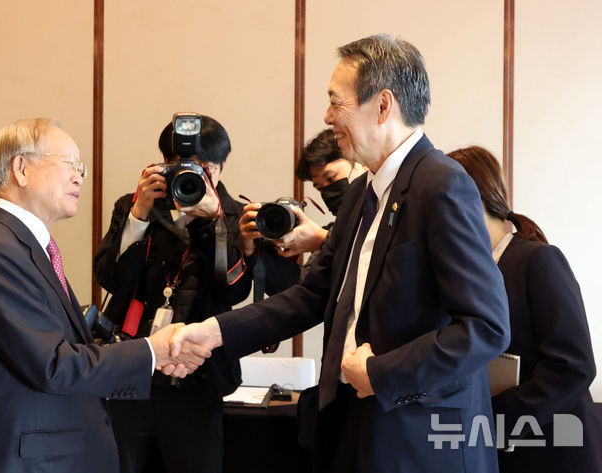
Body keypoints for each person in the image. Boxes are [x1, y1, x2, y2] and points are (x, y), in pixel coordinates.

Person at [171, 34, 510, 473]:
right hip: (350, 425)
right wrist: (212, 333)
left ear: (383, 105)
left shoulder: (442, 184)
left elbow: (485, 328)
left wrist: (383, 373)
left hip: (417, 441)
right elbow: (311, 296)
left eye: (336, 102)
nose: (327, 117)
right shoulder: (360, 193)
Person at [0, 118, 207, 473]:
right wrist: (152, 350)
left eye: (81, 167)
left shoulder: (22, 246)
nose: (79, 176)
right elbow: (54, 365)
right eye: (69, 163)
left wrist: (153, 357)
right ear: (21, 169)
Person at [93, 115, 251, 473]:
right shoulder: (134, 206)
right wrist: (139, 214)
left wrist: (215, 224)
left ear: (221, 166)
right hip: (132, 372)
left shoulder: (236, 215)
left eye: (204, 165)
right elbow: (110, 278)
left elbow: (234, 289)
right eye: (180, 164)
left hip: (197, 381)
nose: (192, 173)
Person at [448, 145, 601, 473]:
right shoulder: (469, 272)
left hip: (554, 448)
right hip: (498, 446)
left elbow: (574, 366)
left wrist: (495, 417)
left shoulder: (537, 260)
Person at [239, 129, 363, 298]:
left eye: (331, 178)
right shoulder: (336, 230)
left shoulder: (389, 211)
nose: (328, 191)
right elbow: (299, 289)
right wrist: (250, 249)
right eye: (319, 187)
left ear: (361, 164)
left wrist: (321, 239)